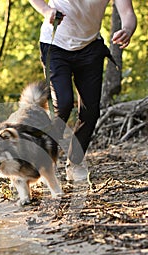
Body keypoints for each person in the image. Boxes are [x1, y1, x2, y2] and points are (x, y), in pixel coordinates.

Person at [29, 0, 137, 181]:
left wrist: (127, 30)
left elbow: (127, 13)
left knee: (90, 112)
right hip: (55, 44)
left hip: (90, 48)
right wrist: (46, 10)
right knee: (62, 105)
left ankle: (74, 163)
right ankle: (43, 158)